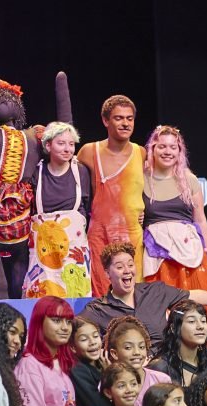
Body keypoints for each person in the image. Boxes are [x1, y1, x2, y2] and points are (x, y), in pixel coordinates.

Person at [0, 77, 72, 299]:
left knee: (20, 273)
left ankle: (21, 315)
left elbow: (65, 135)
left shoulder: (34, 135)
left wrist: (62, 92)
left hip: (21, 208)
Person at [141, 125, 207, 360]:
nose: (168, 151)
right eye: (162, 146)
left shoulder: (188, 179)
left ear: (180, 151)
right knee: (166, 311)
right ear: (152, 148)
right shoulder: (142, 179)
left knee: (203, 311)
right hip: (159, 257)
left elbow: (200, 218)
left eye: (173, 147)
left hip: (191, 255)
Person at [79, 241, 207, 353]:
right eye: (119, 267)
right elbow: (77, 331)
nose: (127, 270)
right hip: (125, 373)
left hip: (163, 366)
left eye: (130, 265)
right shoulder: (98, 309)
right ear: (108, 273)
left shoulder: (155, 291)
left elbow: (191, 295)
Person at [78, 96, 146, 296]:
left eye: (130, 118)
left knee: (132, 293)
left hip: (131, 236)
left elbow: (158, 182)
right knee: (101, 293)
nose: (125, 123)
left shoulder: (141, 153)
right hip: (100, 235)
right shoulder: (89, 152)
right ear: (105, 120)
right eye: (118, 118)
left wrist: (145, 211)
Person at [22, 121, 93, 298]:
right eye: (61, 143)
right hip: (43, 248)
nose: (67, 149)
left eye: (71, 144)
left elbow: (88, 205)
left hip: (73, 247)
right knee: (42, 293)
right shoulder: (37, 172)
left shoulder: (81, 171)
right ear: (48, 145)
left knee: (74, 289)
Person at [104, 315, 171, 406]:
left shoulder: (162, 380)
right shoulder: (108, 383)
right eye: (128, 347)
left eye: (141, 347)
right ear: (114, 353)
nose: (137, 352)